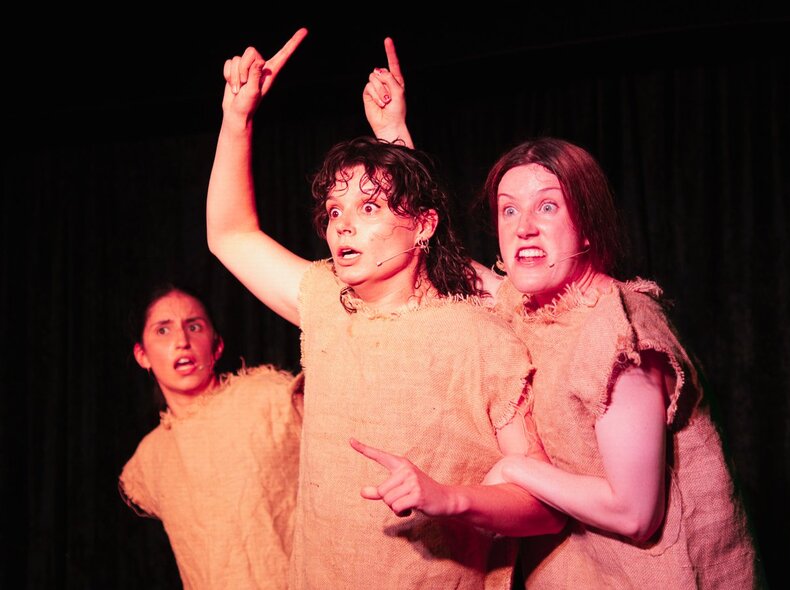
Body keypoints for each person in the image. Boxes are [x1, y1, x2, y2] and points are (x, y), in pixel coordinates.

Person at [366, 41, 762, 589]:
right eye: (510, 209)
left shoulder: (618, 328)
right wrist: (394, 135)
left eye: (547, 205)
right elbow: (449, 262)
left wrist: (515, 470)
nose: (524, 225)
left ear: (589, 224)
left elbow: (635, 513)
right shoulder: (533, 309)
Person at [205, 29, 564, 590]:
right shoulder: (326, 300)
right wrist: (237, 117)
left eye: (368, 206)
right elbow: (229, 234)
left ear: (422, 225)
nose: (342, 223)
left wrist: (446, 498)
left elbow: (543, 506)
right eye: (333, 210)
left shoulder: (479, 336)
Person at [118, 283, 304, 590]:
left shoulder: (268, 397)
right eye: (163, 331)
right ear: (142, 355)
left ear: (216, 346)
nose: (182, 341)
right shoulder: (148, 459)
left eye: (194, 326)